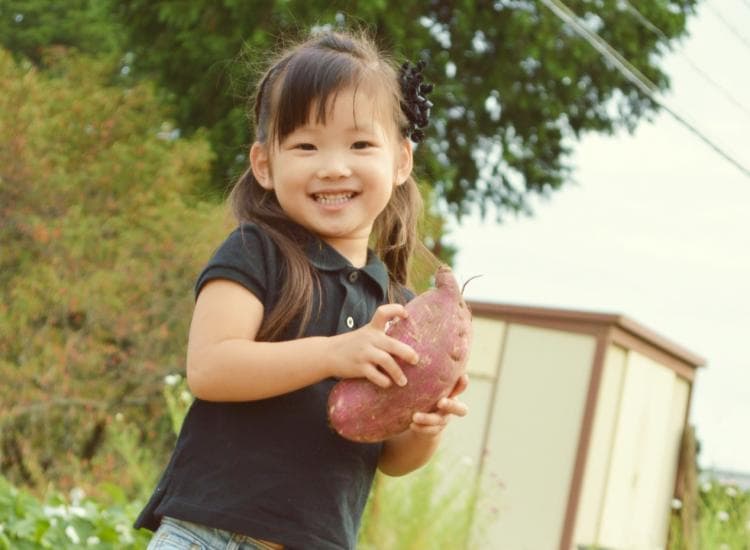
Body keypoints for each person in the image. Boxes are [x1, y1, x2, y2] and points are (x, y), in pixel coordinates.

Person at [134, 28, 469, 550]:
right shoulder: (255, 251)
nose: (333, 166)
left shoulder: (400, 309)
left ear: (401, 160)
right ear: (265, 165)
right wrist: (335, 354)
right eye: (306, 145)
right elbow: (210, 368)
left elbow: (387, 454)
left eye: (360, 144)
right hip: (207, 536)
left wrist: (423, 428)